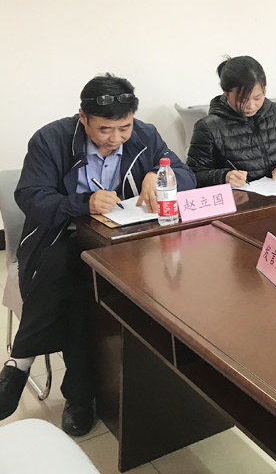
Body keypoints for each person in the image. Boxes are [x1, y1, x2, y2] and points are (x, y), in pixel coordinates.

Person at [0, 74, 195, 436]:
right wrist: (82, 203)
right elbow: (30, 196)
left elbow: (186, 175)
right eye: (105, 129)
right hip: (59, 238)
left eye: (124, 128)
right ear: (83, 118)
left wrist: (160, 174)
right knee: (77, 281)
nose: (115, 138)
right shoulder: (51, 139)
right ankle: (79, 397)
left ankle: (21, 361)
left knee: (91, 278)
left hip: (126, 242)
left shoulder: (145, 135)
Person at [187, 56, 276, 188]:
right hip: (242, 197)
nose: (251, 106)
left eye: (257, 98)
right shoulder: (209, 127)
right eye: (242, 100)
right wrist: (224, 177)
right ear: (225, 92)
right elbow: (193, 175)